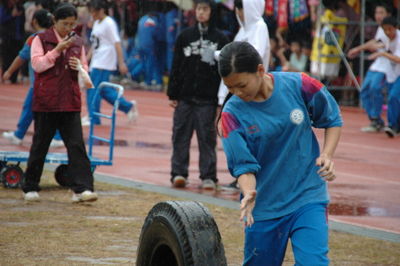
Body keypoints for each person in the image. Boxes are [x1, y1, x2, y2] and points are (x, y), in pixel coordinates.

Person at [217, 41, 342, 265]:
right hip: (264, 207)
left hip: (307, 196)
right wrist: (248, 193)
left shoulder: (299, 84)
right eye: (230, 88)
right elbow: (243, 167)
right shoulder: (231, 115)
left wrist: (327, 155)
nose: (236, 92)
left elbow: (332, 118)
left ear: (260, 70)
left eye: (241, 85)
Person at [22, 3, 97, 203]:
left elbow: (85, 70)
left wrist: (80, 66)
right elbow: (38, 65)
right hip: (47, 101)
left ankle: (82, 189)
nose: (69, 29)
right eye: (65, 24)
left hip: (70, 102)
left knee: (76, 146)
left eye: (72, 24)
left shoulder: (77, 42)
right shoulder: (40, 39)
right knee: (40, 145)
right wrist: (57, 50)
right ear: (54, 21)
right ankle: (30, 186)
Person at [167, 0, 229, 190]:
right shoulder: (185, 36)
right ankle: (178, 173)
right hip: (185, 96)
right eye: (199, 9)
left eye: (205, 9)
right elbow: (176, 65)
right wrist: (173, 93)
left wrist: (221, 99)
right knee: (180, 135)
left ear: (211, 12)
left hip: (207, 99)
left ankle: (209, 176)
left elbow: (223, 70)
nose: (201, 13)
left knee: (207, 138)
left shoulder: (221, 39)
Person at [2, 8, 64, 148]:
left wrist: (9, 71)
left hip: (39, 82)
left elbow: (22, 57)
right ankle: (20, 134)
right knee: (48, 108)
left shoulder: (34, 38)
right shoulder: (55, 36)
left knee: (34, 108)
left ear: (34, 21)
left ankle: (54, 136)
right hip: (54, 81)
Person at [82, 0, 138, 126]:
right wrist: (86, 59)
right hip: (96, 60)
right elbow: (95, 44)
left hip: (104, 61)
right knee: (104, 91)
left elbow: (117, 43)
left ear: (101, 10)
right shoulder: (97, 23)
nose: (92, 15)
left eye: (94, 12)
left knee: (93, 89)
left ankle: (94, 118)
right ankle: (128, 107)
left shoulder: (109, 23)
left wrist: (121, 62)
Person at [347, 3, 392, 133]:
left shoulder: (392, 28)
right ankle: (374, 119)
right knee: (365, 90)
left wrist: (375, 47)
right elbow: (376, 43)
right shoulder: (380, 28)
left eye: (381, 13)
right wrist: (358, 49)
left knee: (375, 88)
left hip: (387, 65)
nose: (378, 16)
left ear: (388, 14)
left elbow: (382, 45)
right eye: (377, 13)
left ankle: (378, 120)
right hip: (377, 63)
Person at [217, 0, 270, 105]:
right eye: (237, 10)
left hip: (251, 88)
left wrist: (217, 54)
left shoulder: (259, 26)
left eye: (241, 9)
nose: (238, 13)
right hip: (236, 89)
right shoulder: (242, 31)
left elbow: (253, 55)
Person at [368, 16, 400, 138]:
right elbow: (375, 43)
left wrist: (382, 53)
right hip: (393, 73)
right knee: (393, 98)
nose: (387, 32)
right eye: (385, 30)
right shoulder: (386, 38)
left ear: (396, 28)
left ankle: (392, 125)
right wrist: (358, 49)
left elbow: (398, 59)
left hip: (397, 73)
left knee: (393, 97)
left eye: (390, 29)